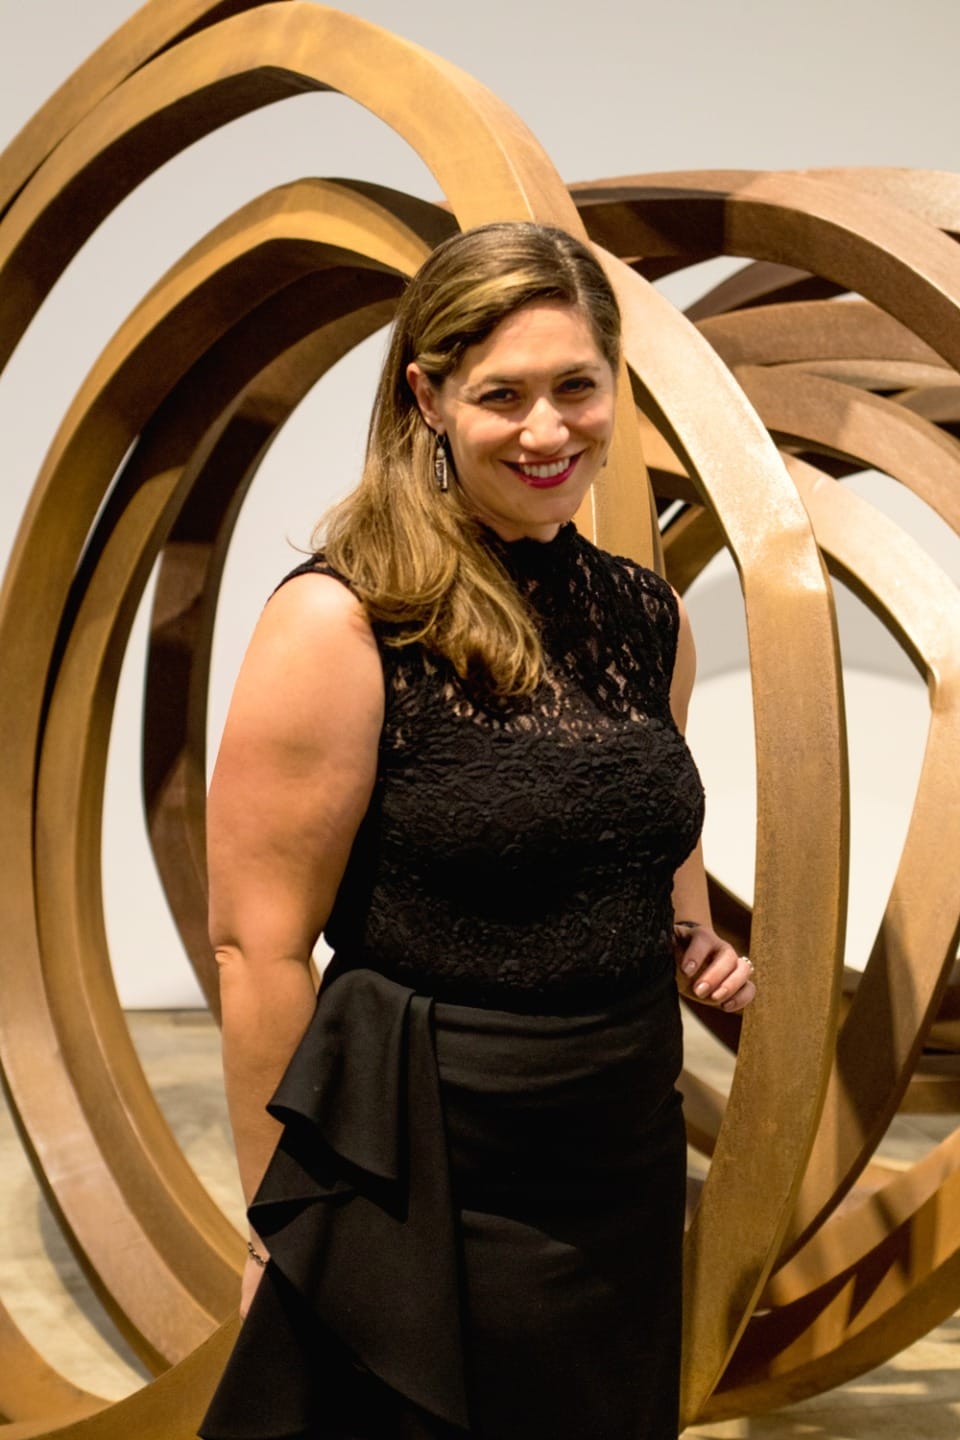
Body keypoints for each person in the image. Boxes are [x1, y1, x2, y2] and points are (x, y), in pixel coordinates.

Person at [199, 221, 757, 1440]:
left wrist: (688, 930)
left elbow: (643, 793)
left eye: (577, 387)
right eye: (502, 395)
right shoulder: (343, 622)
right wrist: (278, 1222)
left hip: (617, 1136)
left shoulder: (640, 614)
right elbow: (260, 950)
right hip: (425, 1161)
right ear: (428, 397)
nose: (549, 430)